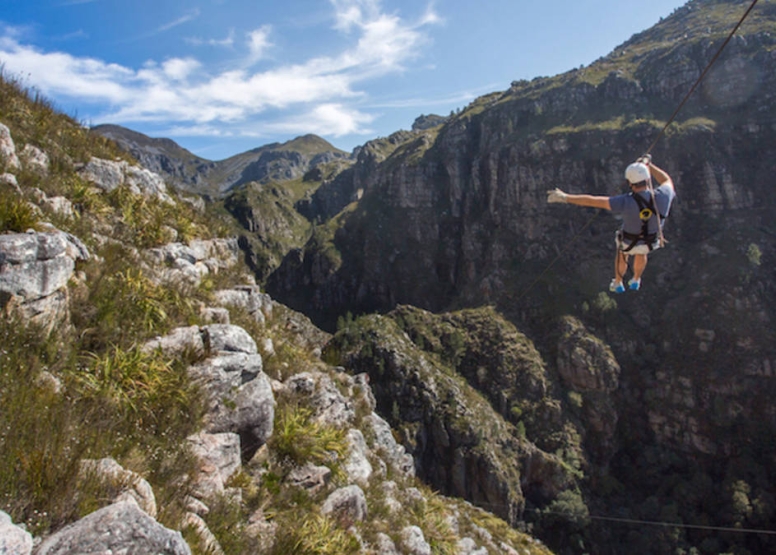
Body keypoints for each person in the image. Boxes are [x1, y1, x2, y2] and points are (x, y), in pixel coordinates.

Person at [546, 156, 676, 293]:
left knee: (622, 252)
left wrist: (565, 197)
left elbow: (592, 201)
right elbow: (667, 180)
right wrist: (649, 165)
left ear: (630, 183)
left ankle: (618, 282)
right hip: (650, 242)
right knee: (642, 252)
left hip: (628, 242)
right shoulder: (663, 196)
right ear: (648, 179)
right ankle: (636, 279)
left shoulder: (624, 202)